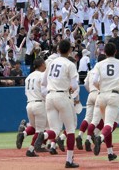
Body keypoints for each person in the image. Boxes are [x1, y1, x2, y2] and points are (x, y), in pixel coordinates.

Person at [37, 39, 80, 168]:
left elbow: (43, 83)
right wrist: (69, 89)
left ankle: (43, 135)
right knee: (70, 129)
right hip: (62, 95)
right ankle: (69, 160)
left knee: (54, 130)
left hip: (50, 96)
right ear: (70, 50)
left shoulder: (51, 63)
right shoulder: (70, 64)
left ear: (58, 49)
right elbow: (74, 85)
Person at [93, 42, 119, 161]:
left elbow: (94, 81)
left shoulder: (99, 64)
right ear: (116, 52)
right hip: (114, 95)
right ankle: (100, 137)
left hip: (102, 95)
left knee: (106, 124)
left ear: (104, 52)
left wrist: (101, 88)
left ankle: (110, 152)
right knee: (109, 124)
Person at [16, 57, 47, 157]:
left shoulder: (28, 76)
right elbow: (44, 92)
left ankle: (23, 133)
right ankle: (30, 150)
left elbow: (26, 92)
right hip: (39, 103)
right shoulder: (42, 75)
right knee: (40, 130)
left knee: (33, 128)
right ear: (42, 64)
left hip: (29, 103)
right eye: (44, 63)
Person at [76, 54, 106, 151]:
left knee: (88, 118)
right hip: (99, 94)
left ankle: (80, 135)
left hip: (91, 94)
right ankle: (88, 139)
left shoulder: (91, 71)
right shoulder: (103, 70)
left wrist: (91, 91)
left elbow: (85, 84)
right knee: (98, 120)